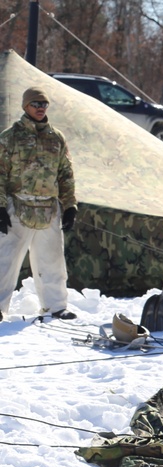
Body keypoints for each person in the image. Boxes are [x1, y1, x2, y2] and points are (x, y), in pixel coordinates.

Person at [0, 87, 78, 322]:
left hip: (48, 209)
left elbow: (65, 173)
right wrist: (1, 206)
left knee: (52, 261)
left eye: (44, 104)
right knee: (5, 261)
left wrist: (70, 204)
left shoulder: (56, 138)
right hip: (18, 206)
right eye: (35, 104)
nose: (40, 108)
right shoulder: (10, 137)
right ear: (25, 107)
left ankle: (55, 307)